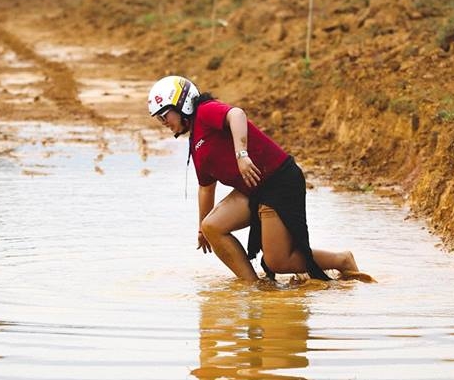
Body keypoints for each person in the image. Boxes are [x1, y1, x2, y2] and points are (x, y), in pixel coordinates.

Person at [147, 75, 368, 283]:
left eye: (164, 115)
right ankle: (253, 287)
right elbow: (206, 187)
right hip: (254, 189)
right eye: (159, 118)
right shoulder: (196, 144)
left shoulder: (205, 111)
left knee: (278, 262)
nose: (162, 122)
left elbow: (236, 114)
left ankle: (342, 260)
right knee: (211, 226)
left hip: (279, 181)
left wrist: (241, 154)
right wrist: (200, 230)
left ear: (182, 105)